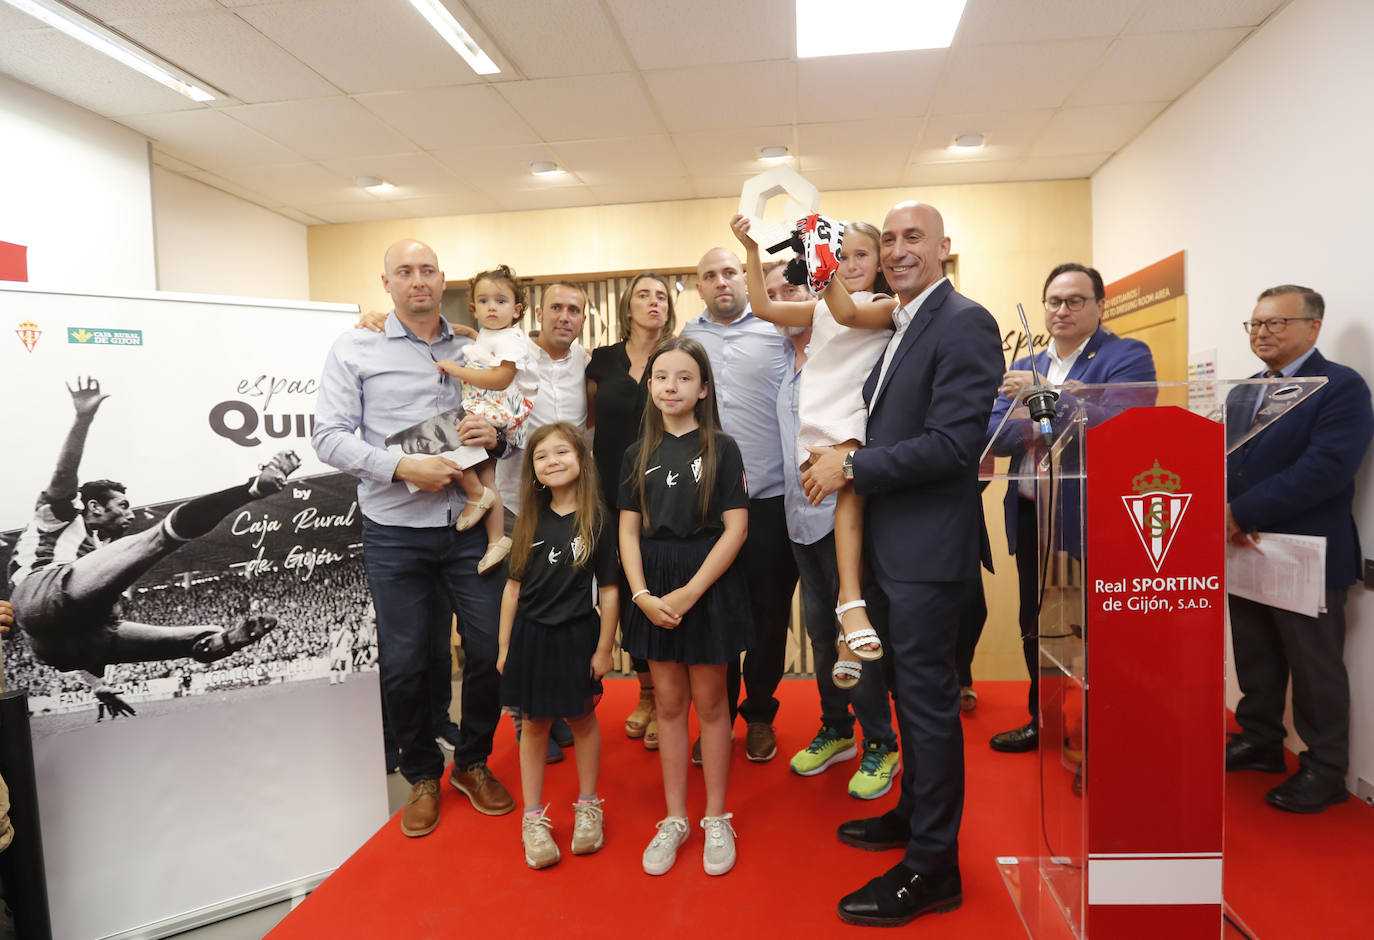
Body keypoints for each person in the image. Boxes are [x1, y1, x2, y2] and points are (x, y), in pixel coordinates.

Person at [802, 201, 1003, 926]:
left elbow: (953, 447)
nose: (895, 250)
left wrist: (851, 465)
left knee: (928, 707)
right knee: (906, 703)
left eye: (911, 237)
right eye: (887, 240)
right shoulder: (904, 324)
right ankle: (914, 816)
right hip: (893, 548)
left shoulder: (964, 321)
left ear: (946, 246)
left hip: (926, 552)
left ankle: (933, 867)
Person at [313, 238, 515, 838]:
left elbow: (504, 426)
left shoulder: (474, 345)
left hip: (470, 525)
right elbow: (326, 436)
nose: (418, 280)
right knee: (403, 664)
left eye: (427, 270)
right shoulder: (355, 346)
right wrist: (401, 468)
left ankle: (472, 763)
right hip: (394, 529)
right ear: (387, 283)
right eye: (405, 271)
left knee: (489, 652)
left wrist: (494, 436)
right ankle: (422, 773)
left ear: (443, 279)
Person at [7, 377, 293, 715]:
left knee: (200, 638)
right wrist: (83, 418)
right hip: (41, 591)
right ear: (96, 507)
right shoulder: (59, 517)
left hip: (68, 644)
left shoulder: (97, 549)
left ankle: (221, 642)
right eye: (123, 505)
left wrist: (99, 685)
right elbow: (63, 476)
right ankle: (251, 489)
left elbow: (59, 632)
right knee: (160, 537)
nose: (130, 512)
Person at [984, 263, 1156, 753]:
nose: (1062, 310)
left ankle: (1103, 735)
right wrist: (1056, 405)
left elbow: (1122, 422)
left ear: (1100, 306)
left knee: (1095, 633)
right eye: (1054, 301)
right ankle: (1047, 720)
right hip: (1030, 515)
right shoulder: (1028, 362)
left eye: (1075, 300)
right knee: (1036, 624)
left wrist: (1045, 399)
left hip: (1089, 519)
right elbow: (994, 435)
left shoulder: (1125, 355)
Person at [1224, 285, 1373, 813]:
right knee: (1254, 652)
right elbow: (1231, 462)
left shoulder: (1339, 387)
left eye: (1276, 323)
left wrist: (1240, 513)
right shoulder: (1243, 392)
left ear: (1313, 327)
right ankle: (1260, 739)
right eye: (1255, 324)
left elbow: (1325, 469)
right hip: (1245, 548)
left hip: (1306, 552)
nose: (1262, 333)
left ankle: (1325, 768)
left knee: (1315, 667)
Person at [732, 213, 895, 687]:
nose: (848, 263)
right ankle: (849, 618)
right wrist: (751, 251)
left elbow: (848, 314)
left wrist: (819, 261)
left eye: (860, 254)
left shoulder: (887, 304)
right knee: (848, 511)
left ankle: (851, 608)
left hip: (856, 418)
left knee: (851, 501)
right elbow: (762, 307)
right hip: (821, 417)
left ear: (880, 261)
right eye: (839, 255)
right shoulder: (820, 306)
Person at [760, 259, 901, 798]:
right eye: (772, 292)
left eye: (788, 287)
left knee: (854, 635)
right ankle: (837, 729)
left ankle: (881, 743)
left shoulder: (856, 342)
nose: (781, 299)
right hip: (798, 519)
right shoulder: (785, 362)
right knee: (821, 636)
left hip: (845, 514)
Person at [618, 337, 752, 877]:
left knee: (712, 704)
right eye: (660, 377)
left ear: (703, 389)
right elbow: (628, 532)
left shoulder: (723, 447)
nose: (670, 386)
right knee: (668, 706)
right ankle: (674, 817)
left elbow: (737, 528)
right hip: (653, 585)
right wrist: (642, 595)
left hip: (707, 583)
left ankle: (716, 815)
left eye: (683, 378)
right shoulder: (635, 454)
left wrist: (690, 592)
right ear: (649, 388)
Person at [682, 247, 795, 763]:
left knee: (770, 616)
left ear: (745, 280)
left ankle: (761, 715)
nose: (722, 281)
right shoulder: (685, 341)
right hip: (706, 507)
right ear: (699, 286)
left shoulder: (779, 330)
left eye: (730, 272)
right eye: (711, 275)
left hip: (769, 499)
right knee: (714, 616)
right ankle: (716, 720)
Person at [497, 423, 618, 868]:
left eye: (561, 452)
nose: (552, 461)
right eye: (541, 456)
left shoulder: (599, 519)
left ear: (581, 460)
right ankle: (533, 818)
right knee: (534, 725)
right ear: (533, 470)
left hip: (576, 635)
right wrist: (505, 645)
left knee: (583, 719)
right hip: (530, 637)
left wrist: (605, 648)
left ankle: (589, 807)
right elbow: (512, 589)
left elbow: (608, 591)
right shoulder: (527, 518)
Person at [586, 273, 676, 751]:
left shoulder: (679, 357)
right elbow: (589, 423)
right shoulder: (601, 360)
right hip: (608, 494)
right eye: (644, 294)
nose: (653, 302)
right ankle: (645, 692)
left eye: (661, 296)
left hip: (667, 493)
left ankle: (667, 700)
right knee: (620, 592)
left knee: (659, 587)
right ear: (628, 306)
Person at [434, 265, 541, 575]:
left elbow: (500, 378)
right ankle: (496, 539)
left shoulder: (512, 340)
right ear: (474, 308)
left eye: (501, 301)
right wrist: (465, 331)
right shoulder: (490, 333)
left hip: (499, 406)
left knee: (450, 442)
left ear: (517, 309)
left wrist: (457, 371)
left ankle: (475, 496)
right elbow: (481, 342)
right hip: (490, 406)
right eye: (483, 301)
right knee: (486, 473)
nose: (491, 307)